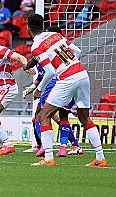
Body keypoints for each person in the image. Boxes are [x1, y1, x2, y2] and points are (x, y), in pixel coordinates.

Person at [26, 14, 107, 167]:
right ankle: (100, 158)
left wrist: (39, 89)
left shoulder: (36, 46)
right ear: (43, 25)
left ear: (28, 27)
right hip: (82, 74)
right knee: (84, 119)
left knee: (44, 115)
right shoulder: (55, 35)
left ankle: (48, 158)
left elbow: (49, 72)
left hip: (67, 78)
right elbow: (77, 51)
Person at [22, 26, 83, 157]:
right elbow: (40, 75)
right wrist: (30, 88)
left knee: (40, 115)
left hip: (57, 83)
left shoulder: (49, 52)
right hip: (74, 79)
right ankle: (71, 146)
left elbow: (48, 72)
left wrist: (38, 89)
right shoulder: (63, 52)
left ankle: (45, 146)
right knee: (61, 116)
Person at [0, 30, 31, 156]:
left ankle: (8, 145)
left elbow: (19, 57)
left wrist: (26, 65)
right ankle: (1, 145)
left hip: (7, 86)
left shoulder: (1, 50)